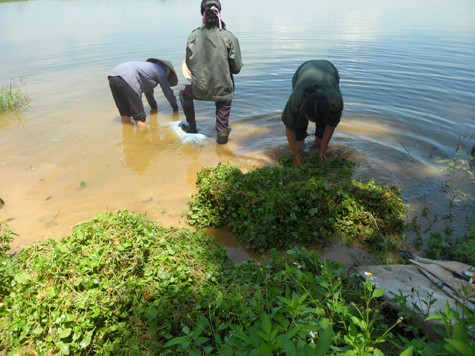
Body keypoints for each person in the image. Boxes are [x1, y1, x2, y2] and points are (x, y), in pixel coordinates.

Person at [179, 0, 243, 144]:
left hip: (199, 89)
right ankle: (222, 140)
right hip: (223, 90)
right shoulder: (229, 37)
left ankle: (192, 127)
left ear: (202, 14)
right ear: (219, 13)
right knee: (222, 126)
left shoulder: (193, 36)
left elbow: (189, 65)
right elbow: (237, 68)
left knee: (183, 91)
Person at [282, 60, 344, 165]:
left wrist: (322, 152)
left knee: (322, 128)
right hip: (304, 70)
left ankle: (319, 146)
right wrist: (295, 155)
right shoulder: (297, 99)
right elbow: (289, 127)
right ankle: (299, 147)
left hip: (329, 70)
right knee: (298, 125)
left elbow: (331, 124)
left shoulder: (335, 99)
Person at [108, 58, 179, 128]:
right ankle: (144, 137)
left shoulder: (148, 68)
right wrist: (175, 107)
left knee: (125, 114)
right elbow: (167, 91)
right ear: (168, 71)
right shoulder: (160, 71)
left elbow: (148, 92)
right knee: (140, 118)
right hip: (128, 77)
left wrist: (154, 107)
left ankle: (128, 137)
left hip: (112, 76)